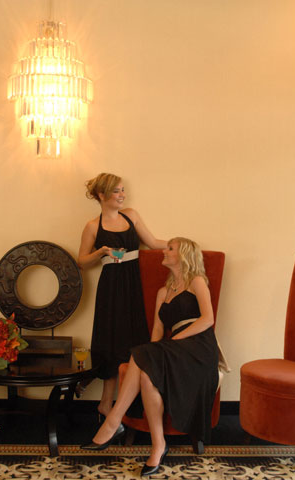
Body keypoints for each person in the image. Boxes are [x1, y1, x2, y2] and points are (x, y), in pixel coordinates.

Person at [80, 237, 220, 477]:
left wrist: (174, 341)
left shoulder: (197, 281)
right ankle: (158, 445)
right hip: (173, 349)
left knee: (144, 355)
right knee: (146, 374)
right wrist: (151, 360)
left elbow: (208, 319)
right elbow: (157, 330)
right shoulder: (163, 292)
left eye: (170, 249)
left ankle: (113, 421)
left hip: (199, 348)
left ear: (184, 255)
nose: (164, 251)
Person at [77, 173, 167, 419]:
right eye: (116, 191)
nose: (122, 195)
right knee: (111, 342)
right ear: (102, 195)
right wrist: (101, 252)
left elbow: (152, 242)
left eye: (122, 190)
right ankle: (106, 404)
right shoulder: (92, 226)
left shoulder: (131, 215)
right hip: (111, 286)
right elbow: (82, 261)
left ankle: (128, 405)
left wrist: (180, 245)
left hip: (133, 284)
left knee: (134, 340)